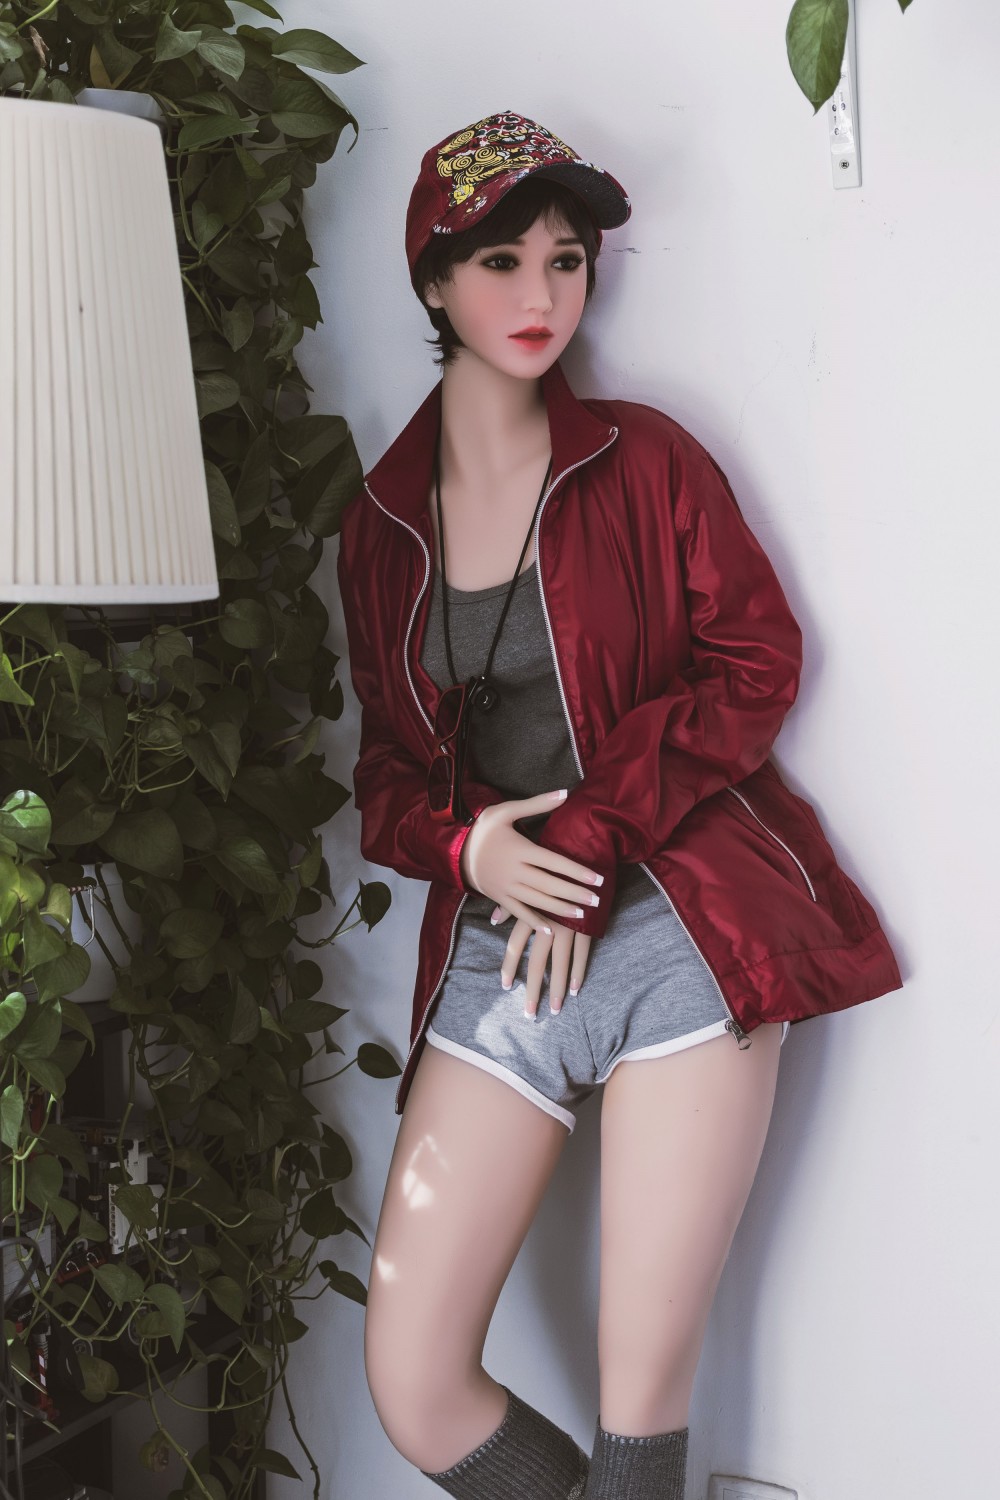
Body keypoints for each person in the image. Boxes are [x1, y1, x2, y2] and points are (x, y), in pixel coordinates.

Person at [336, 109, 903, 1500]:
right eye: (501, 261)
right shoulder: (380, 526)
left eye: (568, 259)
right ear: (433, 280)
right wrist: (468, 845)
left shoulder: (645, 460)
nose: (542, 294)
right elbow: (386, 777)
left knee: (638, 1405)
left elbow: (757, 661)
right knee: (414, 1386)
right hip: (504, 949)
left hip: (683, 923)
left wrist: (595, 823)